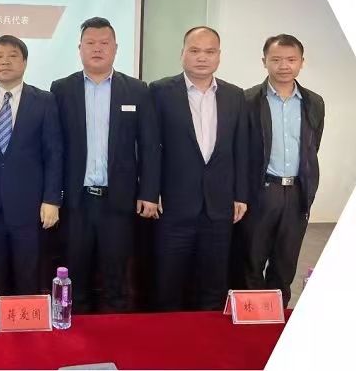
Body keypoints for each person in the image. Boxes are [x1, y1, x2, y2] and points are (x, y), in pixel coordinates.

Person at [50, 17, 161, 313]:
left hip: (118, 201)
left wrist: (149, 192)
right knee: (75, 277)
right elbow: (54, 147)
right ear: (80, 48)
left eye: (104, 43)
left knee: (116, 279)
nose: (97, 49)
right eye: (90, 43)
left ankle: (115, 334)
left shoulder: (137, 90)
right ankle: (75, 333)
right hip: (76, 202)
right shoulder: (61, 89)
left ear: (115, 48)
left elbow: (149, 146)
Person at [150, 26, 248, 311]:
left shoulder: (234, 95)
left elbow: (241, 149)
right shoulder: (159, 92)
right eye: (194, 50)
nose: (202, 57)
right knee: (168, 283)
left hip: (219, 206)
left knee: (214, 285)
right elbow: (150, 147)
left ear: (219, 56)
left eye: (209, 51)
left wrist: (240, 194)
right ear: (182, 53)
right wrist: (151, 191)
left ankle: (209, 335)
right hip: (173, 205)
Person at [0, 35, 63, 312]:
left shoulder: (44, 101)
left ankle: (28, 336)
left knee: (28, 278)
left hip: (30, 208)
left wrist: (52, 200)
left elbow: (54, 153)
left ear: (25, 62)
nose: (5, 62)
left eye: (12, 56)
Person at [240, 34, 324, 307]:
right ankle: (251, 316)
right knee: (251, 259)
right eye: (276, 59)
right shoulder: (248, 100)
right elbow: (240, 150)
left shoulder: (314, 102)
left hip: (297, 192)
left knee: (285, 262)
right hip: (261, 190)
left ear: (302, 62)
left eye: (291, 59)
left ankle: (276, 317)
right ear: (264, 61)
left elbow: (312, 146)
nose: (284, 66)